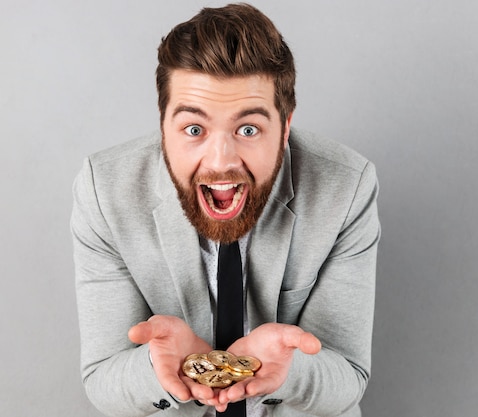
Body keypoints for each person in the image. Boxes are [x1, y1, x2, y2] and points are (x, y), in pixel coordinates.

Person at [71, 3, 380, 417]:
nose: (220, 161)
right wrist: (155, 369)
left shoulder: (346, 187)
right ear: (163, 126)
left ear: (285, 128)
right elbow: (102, 379)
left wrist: (290, 372)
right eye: (194, 129)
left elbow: (349, 377)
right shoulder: (104, 190)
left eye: (248, 129)